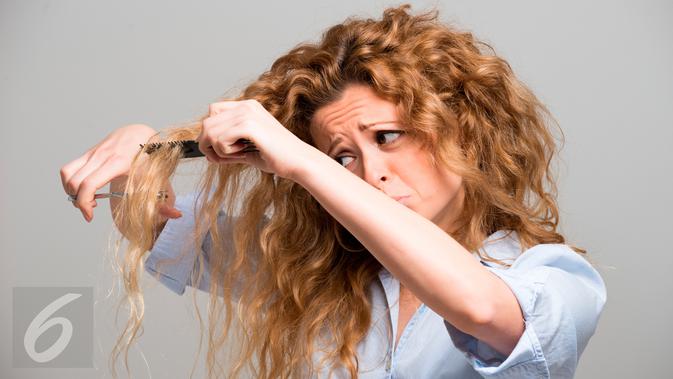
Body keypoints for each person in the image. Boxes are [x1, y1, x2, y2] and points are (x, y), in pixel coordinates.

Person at [59, 4, 606, 378]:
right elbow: (160, 225)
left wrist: (303, 161)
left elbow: (484, 311)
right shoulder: (315, 281)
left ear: (464, 127)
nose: (369, 173)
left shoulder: (553, 280)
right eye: (343, 156)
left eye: (389, 137)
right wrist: (141, 151)